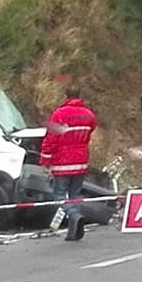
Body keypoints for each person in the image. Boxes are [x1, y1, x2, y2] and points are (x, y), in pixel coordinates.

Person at [40, 86, 98, 241]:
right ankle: (73, 232)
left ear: (66, 96)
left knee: (59, 195)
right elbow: (91, 129)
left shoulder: (60, 114)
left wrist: (45, 160)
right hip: (81, 160)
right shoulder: (88, 114)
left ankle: (75, 215)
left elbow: (51, 139)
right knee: (75, 194)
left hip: (63, 161)